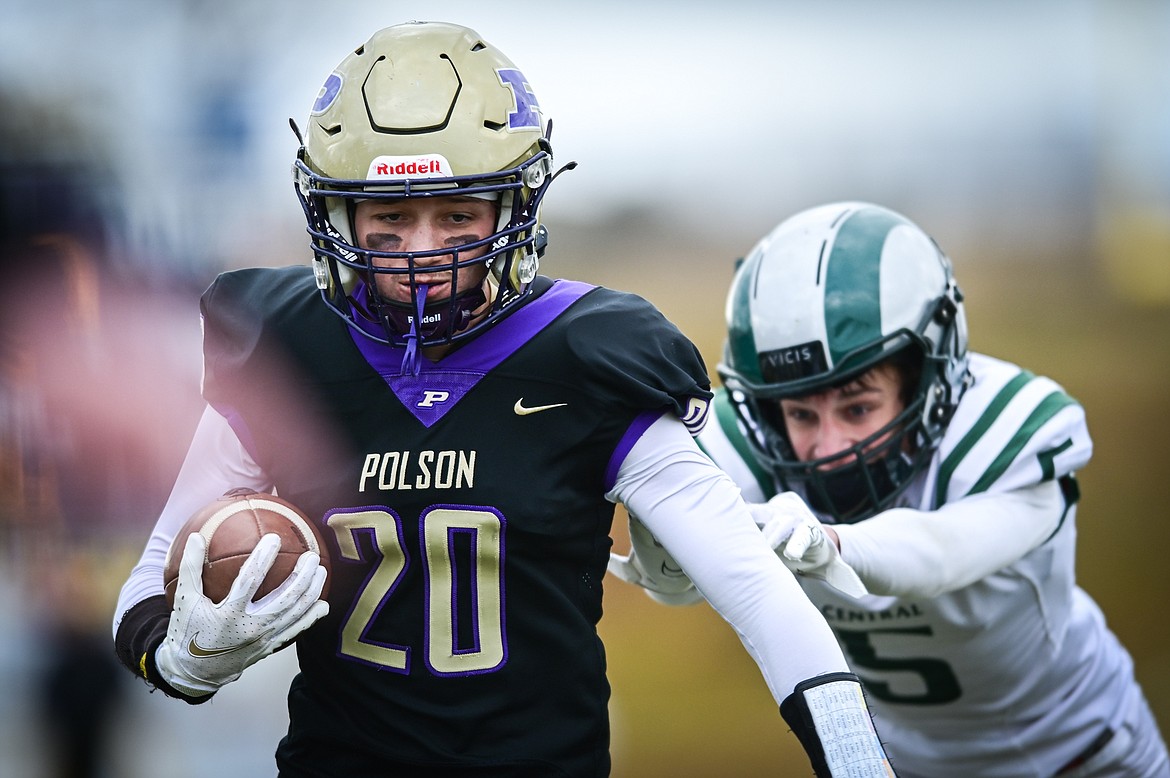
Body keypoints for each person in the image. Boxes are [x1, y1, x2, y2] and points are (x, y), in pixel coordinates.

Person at [110, 23, 900, 777]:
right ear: (337, 212)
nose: (422, 249)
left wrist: (856, 758)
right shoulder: (285, 346)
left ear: (514, 210)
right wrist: (183, 656)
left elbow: (758, 591)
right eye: (390, 216)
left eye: (457, 214)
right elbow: (148, 580)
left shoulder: (588, 353)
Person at [610, 201, 1170, 777]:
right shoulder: (742, 445)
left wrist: (833, 544)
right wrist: (664, 544)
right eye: (800, 413)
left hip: (1082, 754)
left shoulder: (1004, 433)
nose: (828, 446)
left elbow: (938, 552)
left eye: (857, 406)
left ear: (929, 377)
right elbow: (674, 593)